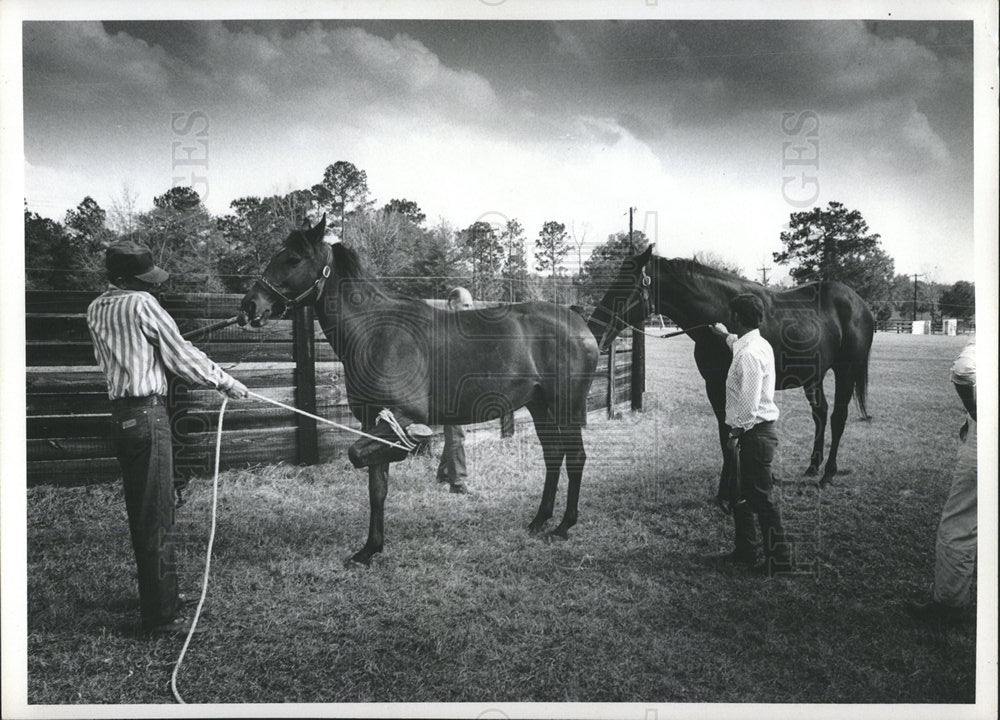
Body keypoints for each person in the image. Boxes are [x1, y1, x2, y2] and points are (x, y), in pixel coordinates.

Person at [86, 242, 248, 635]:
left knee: (149, 511)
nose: (152, 287)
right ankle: (160, 617)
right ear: (126, 279)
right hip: (147, 414)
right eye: (144, 280)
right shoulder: (141, 304)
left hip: (123, 417)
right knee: (156, 514)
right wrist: (226, 382)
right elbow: (180, 356)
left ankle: (163, 597)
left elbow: (138, 352)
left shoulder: (95, 308)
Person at [710, 294, 793, 577]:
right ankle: (746, 550)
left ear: (737, 317)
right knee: (744, 494)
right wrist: (725, 336)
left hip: (753, 434)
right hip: (755, 434)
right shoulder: (756, 344)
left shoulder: (748, 355)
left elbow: (748, 403)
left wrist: (734, 433)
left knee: (761, 498)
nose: (728, 317)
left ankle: (779, 559)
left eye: (731, 314)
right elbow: (738, 346)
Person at [908, 336, 977, 623]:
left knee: (960, 523)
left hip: (986, 443)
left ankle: (948, 604)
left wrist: (979, 413)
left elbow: (963, 370)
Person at [436, 286, 473, 494]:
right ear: (452, 304)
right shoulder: (444, 327)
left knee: (455, 431)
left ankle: (443, 473)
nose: (470, 309)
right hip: (447, 387)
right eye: (466, 305)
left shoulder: (460, 327)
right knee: (456, 431)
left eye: (472, 305)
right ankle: (457, 482)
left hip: (458, 384)